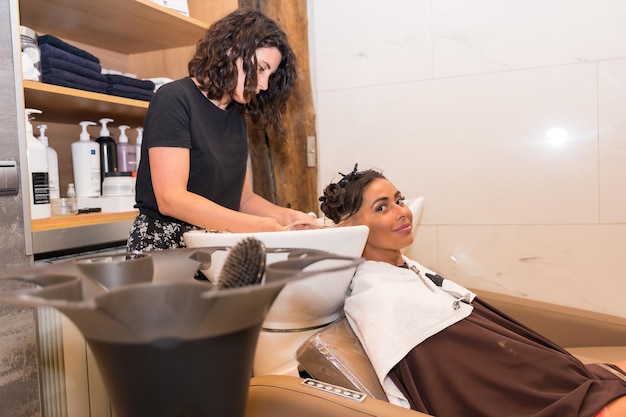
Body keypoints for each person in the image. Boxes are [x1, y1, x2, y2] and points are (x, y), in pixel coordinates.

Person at [319, 164, 626, 417]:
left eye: (399, 200)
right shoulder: (382, 297)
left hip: (539, 380)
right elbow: (460, 376)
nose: (401, 212)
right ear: (353, 227)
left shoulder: (405, 273)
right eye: (382, 207)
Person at [127, 8, 315, 253]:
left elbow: (242, 198)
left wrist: (287, 218)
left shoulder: (236, 116)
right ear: (231, 50)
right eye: (261, 68)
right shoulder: (174, 99)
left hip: (210, 244)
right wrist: (256, 225)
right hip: (165, 248)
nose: (264, 84)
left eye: (270, 74)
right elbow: (171, 199)